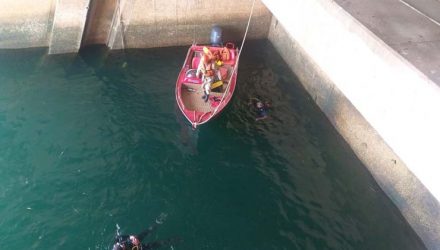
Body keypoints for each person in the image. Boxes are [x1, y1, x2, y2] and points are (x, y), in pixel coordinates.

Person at [112, 214, 180, 250]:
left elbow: (119, 237)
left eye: (120, 244)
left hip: (133, 242)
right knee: (155, 245)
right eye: (122, 246)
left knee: (147, 231)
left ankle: (158, 223)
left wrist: (131, 237)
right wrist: (138, 246)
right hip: (138, 248)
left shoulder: (118, 242)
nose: (122, 244)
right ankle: (173, 240)